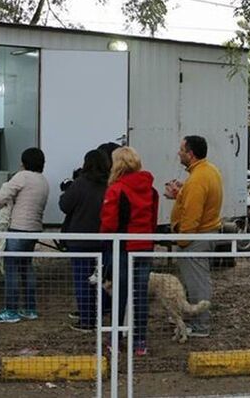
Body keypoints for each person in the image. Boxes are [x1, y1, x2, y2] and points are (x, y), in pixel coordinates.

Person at [100, 147, 158, 356]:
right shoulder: (150, 189)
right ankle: (140, 341)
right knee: (140, 295)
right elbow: (153, 220)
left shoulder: (116, 189)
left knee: (120, 294)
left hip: (123, 246)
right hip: (144, 246)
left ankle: (115, 339)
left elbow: (109, 223)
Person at [166, 135, 223, 338]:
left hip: (196, 239)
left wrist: (180, 241)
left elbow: (191, 216)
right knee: (198, 281)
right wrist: (181, 194)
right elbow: (196, 202)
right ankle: (196, 322)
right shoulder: (208, 170)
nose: (178, 153)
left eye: (181, 150)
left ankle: (200, 326)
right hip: (205, 235)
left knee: (197, 283)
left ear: (190, 154)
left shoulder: (198, 179)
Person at [0, 148, 49, 324]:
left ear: (24, 162)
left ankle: (11, 310)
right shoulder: (43, 181)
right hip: (34, 229)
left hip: (18, 229)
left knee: (12, 268)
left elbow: (3, 195)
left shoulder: (22, 177)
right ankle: (30, 308)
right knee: (26, 267)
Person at [60, 149, 110, 331]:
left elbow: (65, 205)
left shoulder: (80, 183)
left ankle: (87, 320)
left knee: (83, 280)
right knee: (104, 279)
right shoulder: (110, 184)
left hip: (80, 240)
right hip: (105, 239)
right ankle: (104, 310)